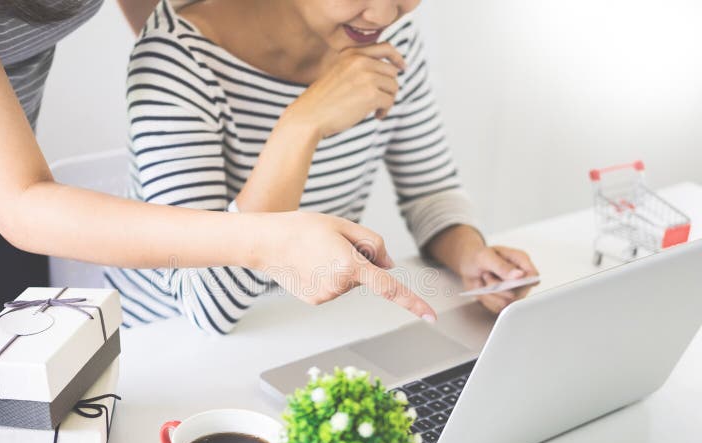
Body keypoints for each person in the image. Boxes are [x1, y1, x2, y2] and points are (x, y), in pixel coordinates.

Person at [0, 0, 437, 385]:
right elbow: (21, 204)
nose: (388, 14)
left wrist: (184, 62)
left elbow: (171, 33)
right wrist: (263, 233)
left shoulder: (386, 42)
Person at [106, 0, 539, 334]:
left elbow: (429, 189)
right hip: (171, 347)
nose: (387, 13)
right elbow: (209, 308)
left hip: (308, 326)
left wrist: (471, 254)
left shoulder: (387, 38)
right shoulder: (177, 58)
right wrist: (300, 127)